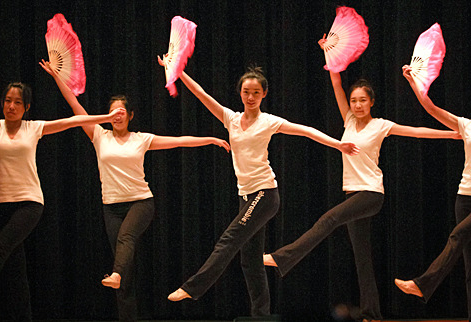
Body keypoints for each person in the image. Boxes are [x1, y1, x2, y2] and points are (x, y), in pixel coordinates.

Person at [262, 37, 461, 322]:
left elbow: (416, 131)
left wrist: (451, 133)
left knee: (328, 220)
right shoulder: (348, 121)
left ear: (371, 103)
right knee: (362, 258)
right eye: (354, 101)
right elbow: (336, 85)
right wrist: (329, 55)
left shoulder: (381, 126)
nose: (356, 105)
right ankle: (372, 314)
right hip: (351, 193)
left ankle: (282, 258)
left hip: (370, 194)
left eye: (362, 101)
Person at [158, 56, 361, 317]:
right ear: (240, 93)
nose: (250, 97)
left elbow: (307, 130)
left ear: (264, 94)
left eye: (256, 92)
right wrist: (177, 71)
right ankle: (261, 316)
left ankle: (193, 287)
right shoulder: (230, 119)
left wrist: (338, 145)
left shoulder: (268, 122)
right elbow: (202, 94)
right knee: (250, 261)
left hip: (265, 194)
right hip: (247, 196)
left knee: (229, 239)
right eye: (246, 92)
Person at [40, 60, 230, 322]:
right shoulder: (98, 136)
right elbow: (75, 106)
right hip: (111, 206)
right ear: (107, 116)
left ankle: (115, 274)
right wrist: (56, 76)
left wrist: (209, 139)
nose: (117, 116)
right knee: (126, 272)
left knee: (125, 242)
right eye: (112, 113)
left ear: (130, 115)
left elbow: (178, 142)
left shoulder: (141, 139)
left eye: (122, 112)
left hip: (140, 203)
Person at [0, 82, 125, 322]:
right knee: (15, 271)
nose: (11, 106)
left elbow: (72, 121)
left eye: (17, 102)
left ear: (26, 107)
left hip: (29, 203)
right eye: (7, 100)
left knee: (1, 248)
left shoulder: (33, 128)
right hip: (2, 204)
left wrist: (107, 117)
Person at [395, 65, 471, 321]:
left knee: (458, 235)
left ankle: (423, 284)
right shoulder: (466, 125)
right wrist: (413, 81)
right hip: (464, 198)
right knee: (468, 264)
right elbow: (431, 108)